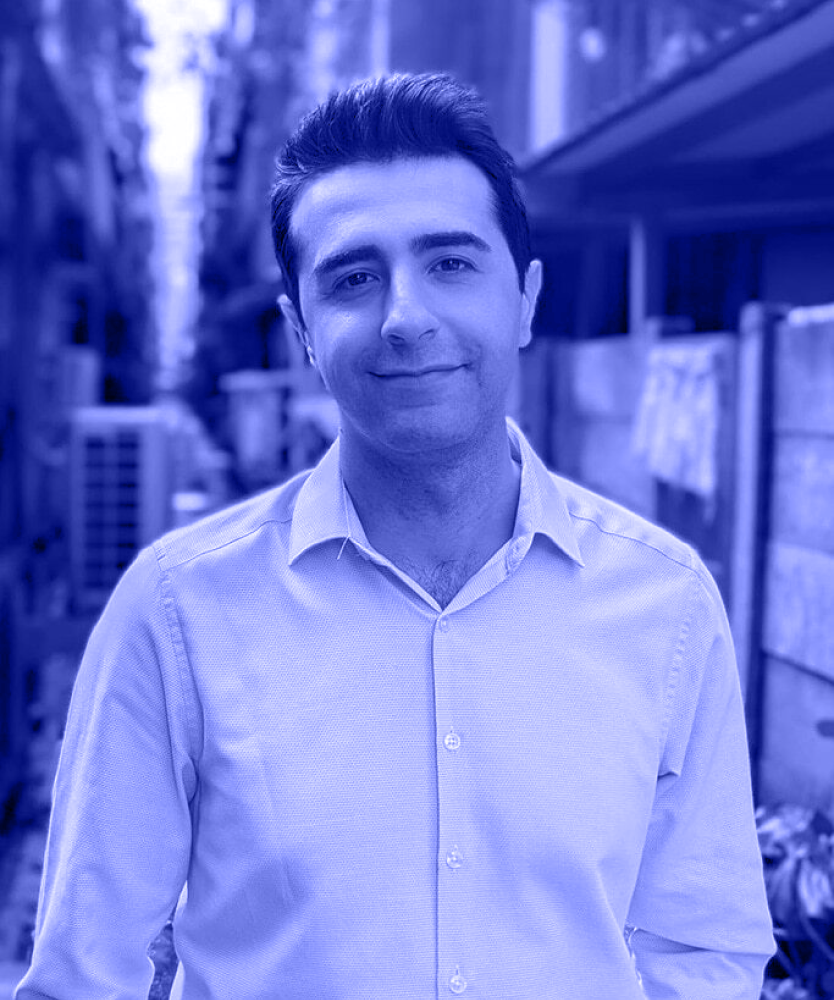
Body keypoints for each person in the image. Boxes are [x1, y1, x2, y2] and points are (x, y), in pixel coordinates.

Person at [17, 73, 775, 1000]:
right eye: (354, 277)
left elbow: (704, 953)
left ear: (526, 298)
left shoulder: (667, 605)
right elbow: (84, 974)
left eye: (451, 263)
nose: (406, 316)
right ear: (301, 328)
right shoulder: (178, 609)